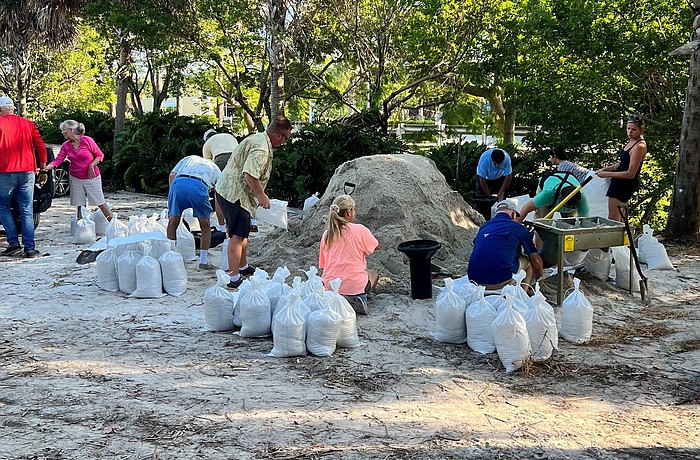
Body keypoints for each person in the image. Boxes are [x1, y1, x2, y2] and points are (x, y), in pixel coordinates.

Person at [215, 116, 292, 289]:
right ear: (279, 135)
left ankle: (242, 266)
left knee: (243, 232)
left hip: (229, 190)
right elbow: (249, 174)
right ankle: (233, 277)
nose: (284, 143)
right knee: (237, 236)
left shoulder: (257, 137)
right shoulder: (262, 148)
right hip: (235, 194)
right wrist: (261, 195)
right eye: (285, 138)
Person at [0, 96, 46, 258]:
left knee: (3, 207)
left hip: (5, 171)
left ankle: (13, 244)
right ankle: (30, 249)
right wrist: (43, 165)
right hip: (28, 172)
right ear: (13, 108)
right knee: (27, 209)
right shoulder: (28, 124)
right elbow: (40, 145)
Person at [319, 194, 380, 314]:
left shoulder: (326, 235)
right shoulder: (360, 229)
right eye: (354, 210)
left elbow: (324, 265)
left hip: (330, 286)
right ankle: (360, 297)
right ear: (348, 212)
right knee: (373, 274)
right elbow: (376, 246)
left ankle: (339, 299)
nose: (355, 213)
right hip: (353, 285)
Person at [45, 120, 113, 223]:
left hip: (91, 176)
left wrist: (92, 164)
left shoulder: (87, 140)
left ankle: (113, 224)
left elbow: (100, 155)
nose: (62, 132)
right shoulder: (65, 145)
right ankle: (82, 228)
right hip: (75, 177)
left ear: (71, 130)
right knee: (79, 205)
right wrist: (46, 167)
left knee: (100, 202)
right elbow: (58, 160)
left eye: (64, 130)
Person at [468, 200, 543, 289]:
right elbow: (535, 260)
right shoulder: (518, 228)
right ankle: (523, 295)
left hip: (474, 280)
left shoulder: (484, 226)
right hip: (501, 280)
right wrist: (539, 273)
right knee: (528, 262)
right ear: (513, 215)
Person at [167, 155, 221, 269]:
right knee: (205, 225)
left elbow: (172, 175)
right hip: (199, 187)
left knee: (173, 221)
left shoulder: (189, 158)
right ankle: (203, 261)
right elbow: (218, 195)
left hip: (178, 184)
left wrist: (172, 194)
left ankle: (170, 255)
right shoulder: (215, 168)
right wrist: (222, 223)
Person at [596, 116, 648, 222]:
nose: (630, 132)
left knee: (613, 218)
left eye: (634, 129)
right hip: (618, 180)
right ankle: (623, 237)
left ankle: (616, 237)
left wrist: (607, 174)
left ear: (640, 130)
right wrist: (604, 169)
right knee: (619, 217)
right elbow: (621, 164)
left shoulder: (639, 146)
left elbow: (631, 173)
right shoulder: (631, 142)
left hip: (625, 183)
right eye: (628, 129)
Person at [202, 128, 238, 232]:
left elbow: (208, 166)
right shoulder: (229, 136)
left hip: (220, 160)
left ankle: (222, 227)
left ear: (207, 138)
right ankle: (249, 223)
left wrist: (211, 186)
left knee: (218, 195)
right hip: (237, 160)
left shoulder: (207, 144)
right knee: (238, 191)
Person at [518, 171, 589, 222]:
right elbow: (526, 208)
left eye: (570, 207)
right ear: (560, 197)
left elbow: (584, 221)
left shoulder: (581, 198)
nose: (565, 209)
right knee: (542, 225)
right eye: (565, 206)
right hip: (550, 185)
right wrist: (515, 225)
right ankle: (540, 243)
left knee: (570, 225)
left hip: (567, 179)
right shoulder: (547, 194)